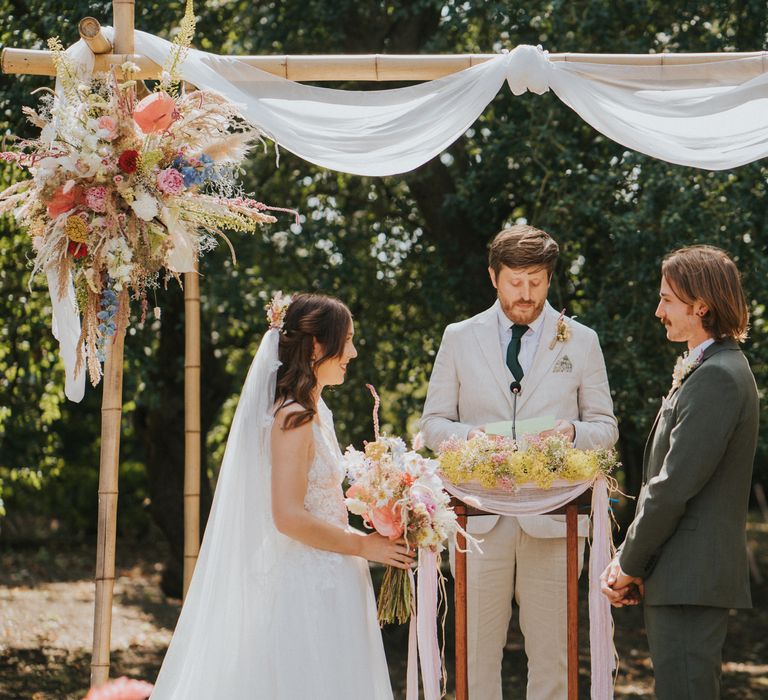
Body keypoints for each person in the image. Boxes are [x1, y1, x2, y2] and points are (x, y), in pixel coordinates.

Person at [151, 292, 412, 699]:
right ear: (318, 346)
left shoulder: (315, 409)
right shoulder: (293, 418)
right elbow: (287, 517)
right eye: (347, 341)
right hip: (304, 583)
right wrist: (364, 546)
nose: (354, 352)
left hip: (333, 572)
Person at [420, 224, 618, 700]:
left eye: (536, 281)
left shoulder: (582, 340)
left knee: (553, 660)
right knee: (472, 657)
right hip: (477, 522)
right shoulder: (459, 337)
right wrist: (477, 439)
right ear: (494, 276)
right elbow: (432, 424)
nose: (525, 293)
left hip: (554, 521)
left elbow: (606, 427)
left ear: (549, 279)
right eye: (515, 281)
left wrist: (571, 433)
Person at [601, 245, 758, 700]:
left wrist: (628, 563)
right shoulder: (712, 368)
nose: (658, 310)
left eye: (667, 299)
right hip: (680, 573)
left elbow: (671, 488)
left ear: (701, 305)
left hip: (691, 576)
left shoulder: (718, 377)